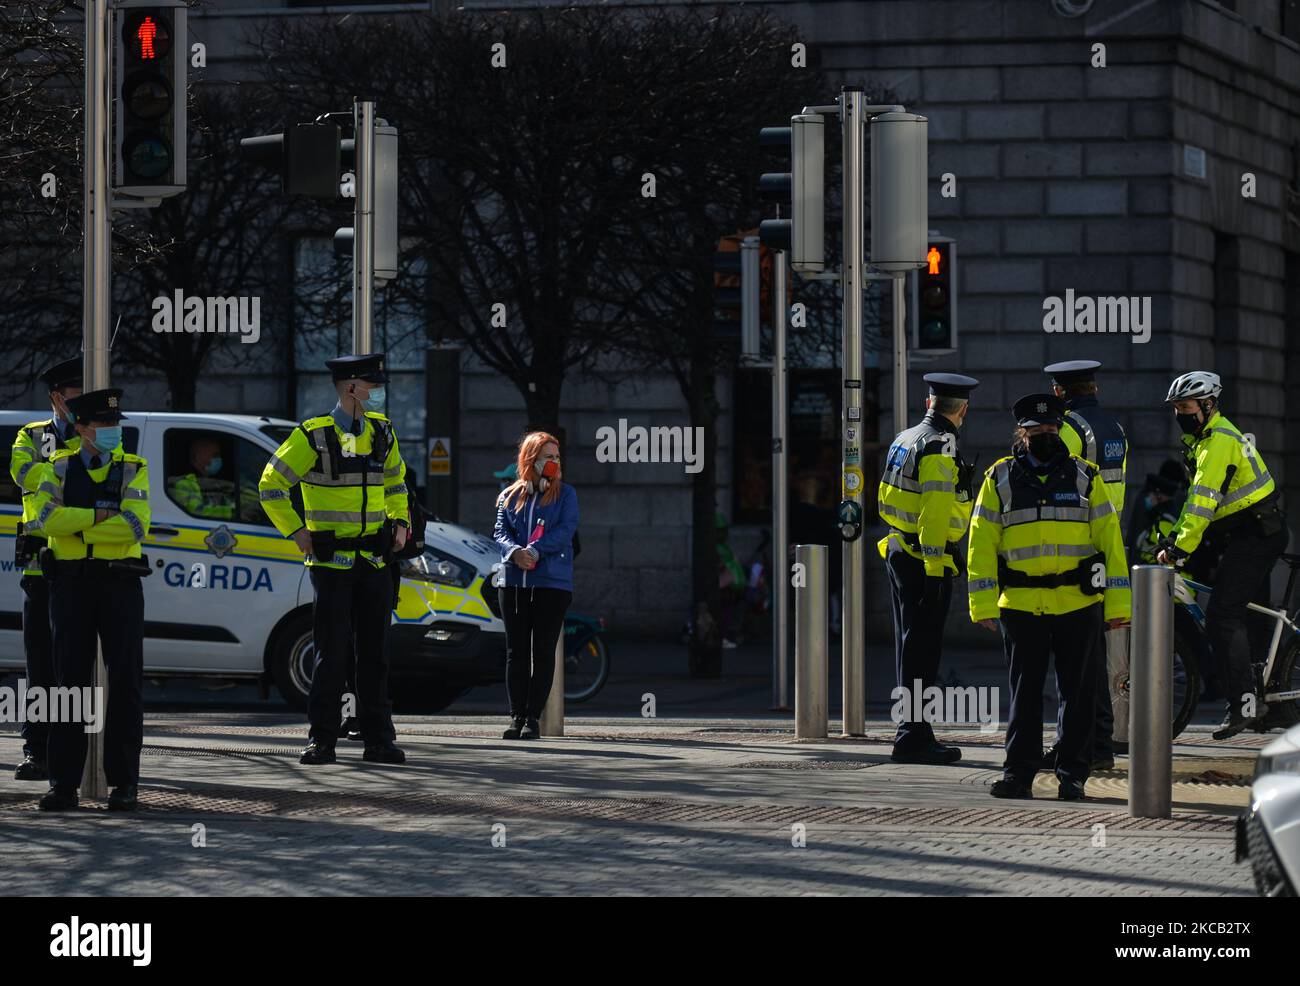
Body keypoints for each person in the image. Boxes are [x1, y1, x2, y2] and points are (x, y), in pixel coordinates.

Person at [968, 394, 1130, 801]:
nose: (1046, 436)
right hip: (1021, 606)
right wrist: (983, 604)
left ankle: (1073, 776)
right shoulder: (998, 478)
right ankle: (1018, 775)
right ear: (1021, 435)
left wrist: (1119, 608)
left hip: (1078, 604)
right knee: (1024, 696)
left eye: (1052, 429)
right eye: (1037, 431)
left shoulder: (1086, 477)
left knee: (1077, 696)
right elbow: (981, 544)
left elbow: (1111, 544)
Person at [259, 353, 410, 765]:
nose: (377, 395)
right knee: (331, 655)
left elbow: (397, 481)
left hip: (376, 561)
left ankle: (378, 739)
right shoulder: (312, 435)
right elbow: (270, 485)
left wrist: (399, 522)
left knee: (375, 655)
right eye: (372, 388)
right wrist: (297, 531)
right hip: (332, 565)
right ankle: (321, 740)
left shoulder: (382, 432)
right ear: (351, 388)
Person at [25, 388, 151, 811]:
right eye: (104, 425)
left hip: (120, 584)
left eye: (116, 424)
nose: (114, 432)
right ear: (81, 429)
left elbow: (135, 526)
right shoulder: (55, 468)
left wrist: (76, 526)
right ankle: (63, 784)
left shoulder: (134, 467)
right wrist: (100, 517)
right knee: (68, 685)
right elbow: (44, 520)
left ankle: (124, 784)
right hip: (71, 586)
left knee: (126, 684)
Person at [1155, 371, 1287, 739]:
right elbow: (1193, 502)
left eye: (1186, 406)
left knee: (1223, 616)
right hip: (1249, 533)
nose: (1180, 413)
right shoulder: (1205, 440)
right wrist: (1173, 540)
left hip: (1257, 535)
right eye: (1176, 408)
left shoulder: (1217, 443)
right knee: (1246, 616)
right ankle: (1270, 704)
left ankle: (1244, 702)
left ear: (1208, 405)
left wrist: (1181, 547)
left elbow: (1202, 504)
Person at [876, 372, 980, 765]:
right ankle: (914, 736)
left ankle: (912, 731)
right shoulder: (939, 445)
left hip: (900, 549)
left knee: (910, 645)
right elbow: (935, 511)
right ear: (963, 410)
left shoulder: (906, 438)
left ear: (929, 404)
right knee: (922, 650)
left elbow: (886, 493)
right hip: (924, 560)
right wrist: (938, 567)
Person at [1043, 360, 1129, 771]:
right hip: (1106, 546)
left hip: (1075, 550)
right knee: (1095, 653)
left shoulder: (1070, 429)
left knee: (1078, 659)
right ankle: (1099, 743)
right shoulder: (1115, 428)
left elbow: (1061, 483)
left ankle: (1087, 746)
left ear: (1060, 392)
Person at [8, 358, 83, 781]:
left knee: (73, 663)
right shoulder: (32, 435)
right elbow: (21, 472)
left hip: (78, 563)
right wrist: (68, 473)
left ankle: (74, 748)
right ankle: (37, 748)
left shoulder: (95, 433)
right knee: (39, 664)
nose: (79, 405)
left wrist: (52, 475)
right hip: (39, 566)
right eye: (74, 397)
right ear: (57, 397)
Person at [493, 431, 578, 740]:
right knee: (516, 651)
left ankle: (532, 718)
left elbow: (566, 530)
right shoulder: (509, 495)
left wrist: (535, 552)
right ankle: (515, 716)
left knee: (542, 651)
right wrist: (514, 553)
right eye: (548, 457)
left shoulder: (566, 495)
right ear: (531, 460)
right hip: (514, 581)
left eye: (557, 457)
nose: (555, 462)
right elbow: (500, 531)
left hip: (551, 584)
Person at [167, 436, 235, 519]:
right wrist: (232, 512)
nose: (219, 459)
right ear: (197, 458)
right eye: (215, 456)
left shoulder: (217, 483)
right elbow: (197, 511)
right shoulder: (183, 483)